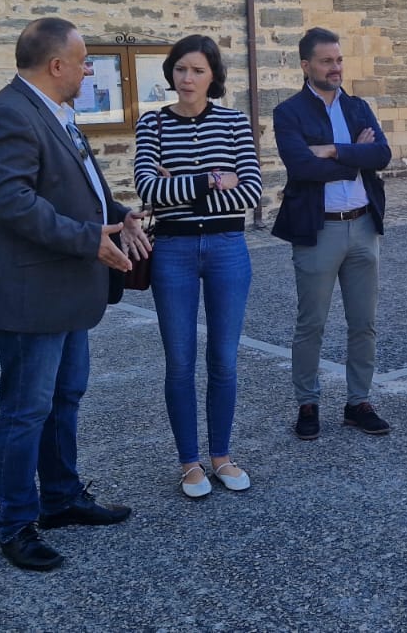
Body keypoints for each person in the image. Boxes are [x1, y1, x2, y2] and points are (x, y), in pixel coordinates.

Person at [0, 16, 147, 572]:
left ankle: (60, 499)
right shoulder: (10, 116)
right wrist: (92, 240)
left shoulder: (55, 113)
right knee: (26, 410)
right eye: (85, 60)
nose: (91, 69)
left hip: (63, 289)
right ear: (56, 64)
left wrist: (119, 216)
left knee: (64, 399)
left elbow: (76, 193)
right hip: (29, 292)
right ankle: (16, 523)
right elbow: (13, 202)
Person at [134, 34, 264, 499]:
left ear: (213, 77)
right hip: (174, 250)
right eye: (180, 69)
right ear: (170, 73)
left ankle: (222, 455)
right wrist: (211, 178)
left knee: (224, 359)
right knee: (180, 361)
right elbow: (148, 189)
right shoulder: (152, 125)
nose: (187, 78)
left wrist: (181, 184)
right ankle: (189, 462)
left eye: (198, 70)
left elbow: (250, 193)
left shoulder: (233, 122)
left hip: (228, 246)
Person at [272, 27, 394, 441]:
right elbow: (302, 168)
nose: (336, 67)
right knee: (312, 323)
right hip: (318, 229)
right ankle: (308, 403)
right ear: (306, 65)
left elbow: (383, 155)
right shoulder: (288, 113)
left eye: (339, 59)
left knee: (364, 322)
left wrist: (333, 150)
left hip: (362, 226)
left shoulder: (358, 107)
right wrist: (354, 157)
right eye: (327, 61)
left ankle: (358, 402)